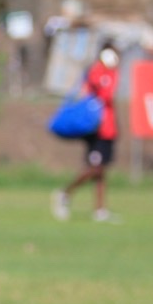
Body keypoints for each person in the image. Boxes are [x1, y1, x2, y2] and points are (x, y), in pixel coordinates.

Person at [52, 42, 121, 223]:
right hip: (96, 128)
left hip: (108, 128)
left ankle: (100, 210)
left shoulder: (110, 73)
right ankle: (65, 193)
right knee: (95, 168)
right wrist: (109, 71)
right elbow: (105, 93)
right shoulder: (98, 72)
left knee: (101, 171)